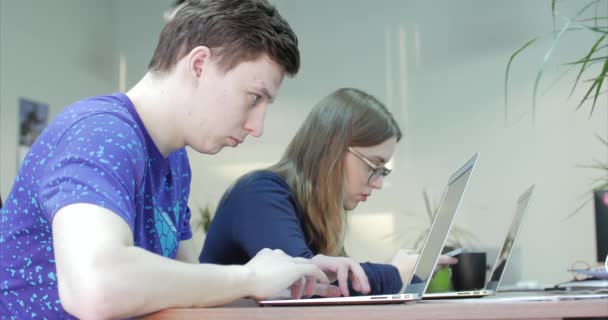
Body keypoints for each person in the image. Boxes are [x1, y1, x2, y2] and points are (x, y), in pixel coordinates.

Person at [0, 1, 335, 318]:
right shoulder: (100, 133)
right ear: (199, 64)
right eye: (254, 98)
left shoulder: (175, 160)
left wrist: (289, 277)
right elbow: (94, 288)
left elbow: (187, 284)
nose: (256, 126)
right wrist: (249, 277)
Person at [200, 88, 457, 297]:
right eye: (374, 166)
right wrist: (395, 273)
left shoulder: (312, 212)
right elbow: (310, 288)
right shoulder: (258, 193)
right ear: (334, 149)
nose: (377, 183)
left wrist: (396, 271)